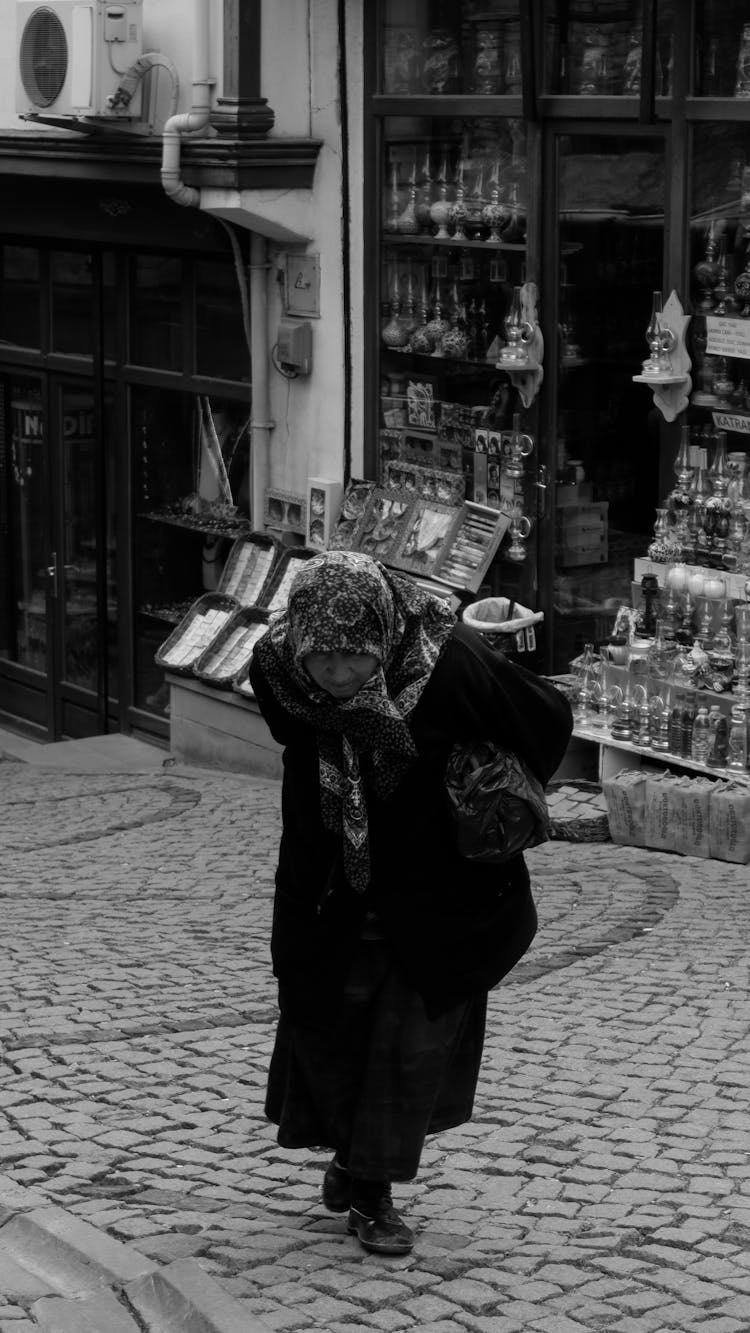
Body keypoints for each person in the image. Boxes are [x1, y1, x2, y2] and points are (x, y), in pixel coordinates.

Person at [248, 550, 573, 1256]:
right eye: (322, 661)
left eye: (356, 659)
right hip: (330, 883)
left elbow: (546, 719)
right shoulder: (276, 671)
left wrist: (483, 776)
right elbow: (292, 734)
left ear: (384, 637)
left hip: (435, 894)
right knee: (331, 1031)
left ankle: (373, 1188)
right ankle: (350, 1158)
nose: (338, 677)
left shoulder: (448, 663)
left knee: (407, 1046)